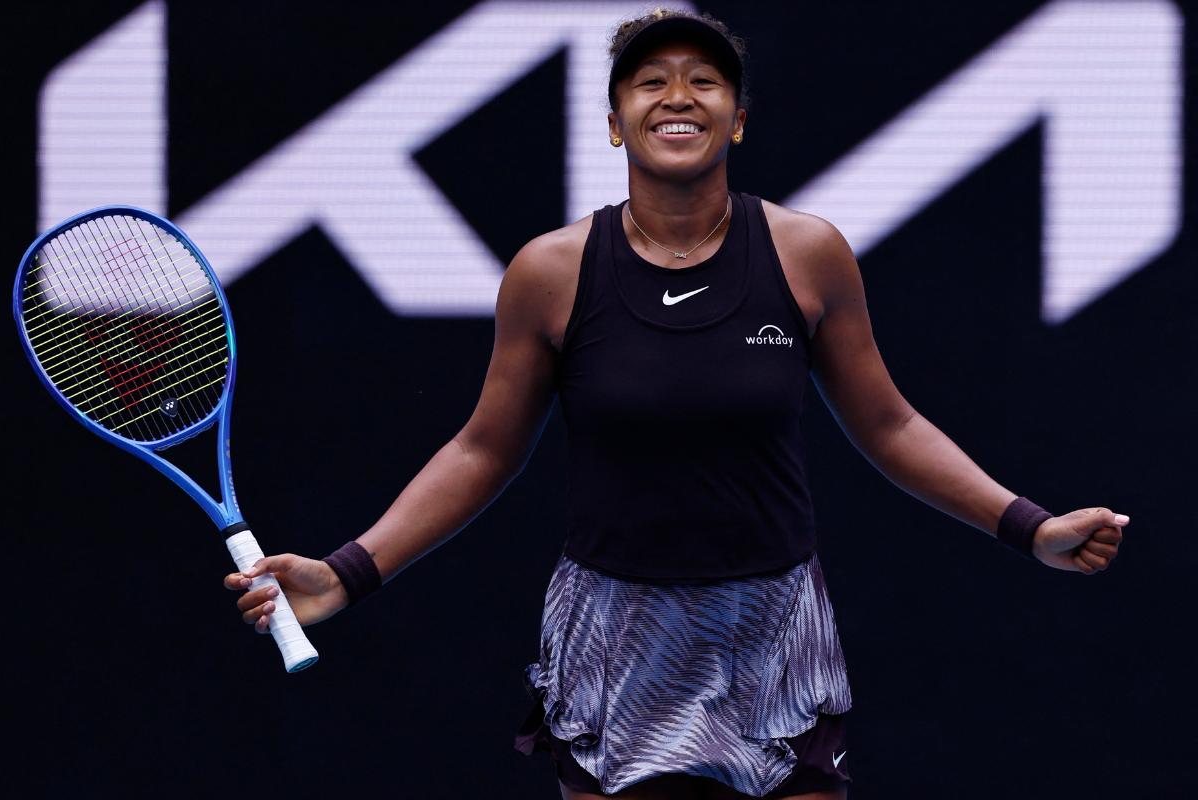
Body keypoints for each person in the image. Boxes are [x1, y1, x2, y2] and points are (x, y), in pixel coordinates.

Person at [224, 9, 1128, 799]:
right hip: (613, 636)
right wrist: (347, 571)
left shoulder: (810, 254)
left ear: (739, 118)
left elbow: (889, 424)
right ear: (616, 123)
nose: (678, 95)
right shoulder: (550, 271)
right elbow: (482, 450)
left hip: (775, 632)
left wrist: (1029, 526)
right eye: (649, 81)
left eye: (706, 80)